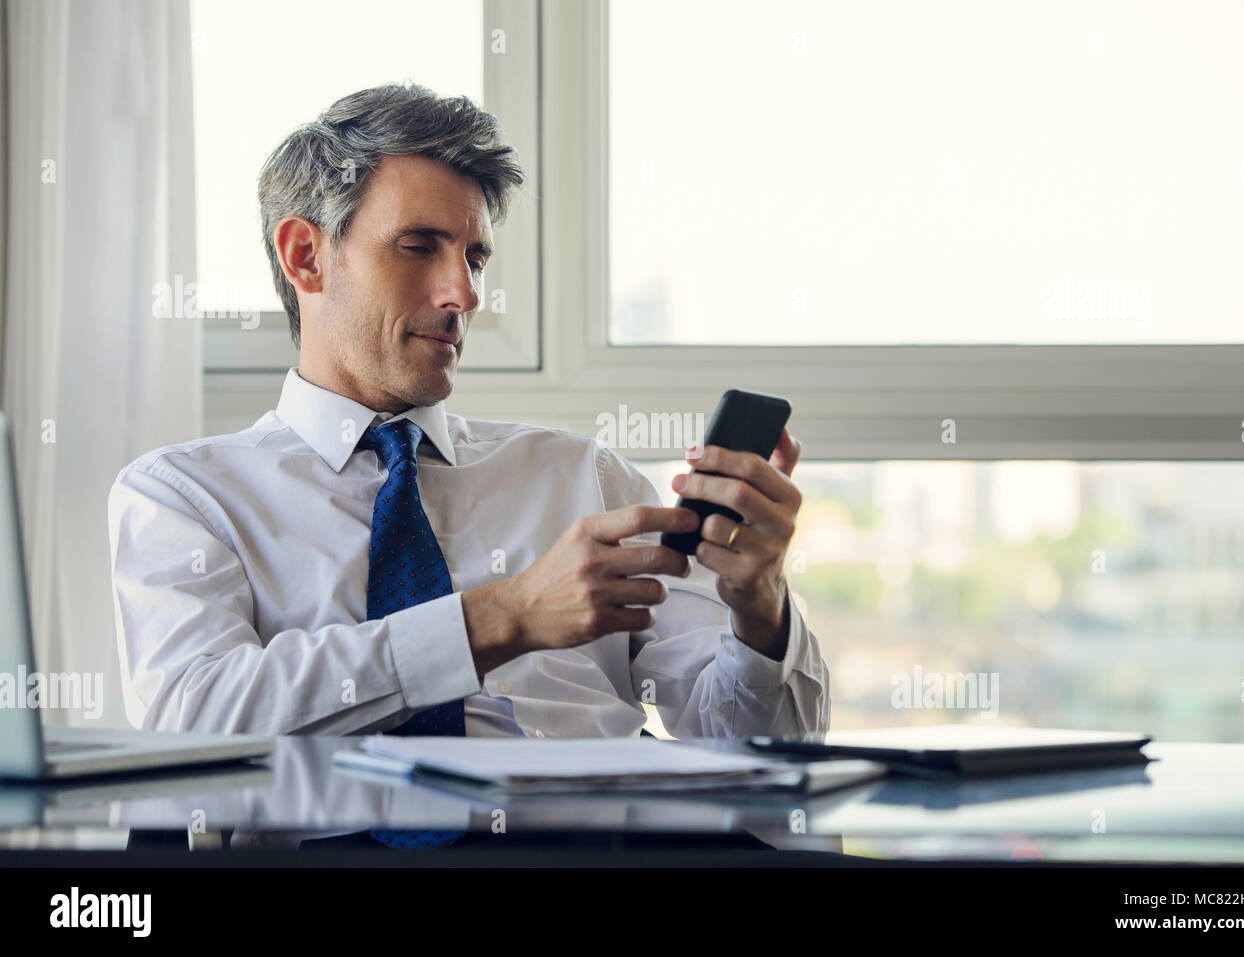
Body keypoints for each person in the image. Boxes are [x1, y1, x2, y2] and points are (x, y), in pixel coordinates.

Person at [108, 83, 829, 745]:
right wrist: (501, 616)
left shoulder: (587, 479)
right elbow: (192, 716)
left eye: (475, 257)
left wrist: (758, 606)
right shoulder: (184, 496)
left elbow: (764, 751)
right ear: (306, 257)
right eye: (419, 246)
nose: (464, 293)